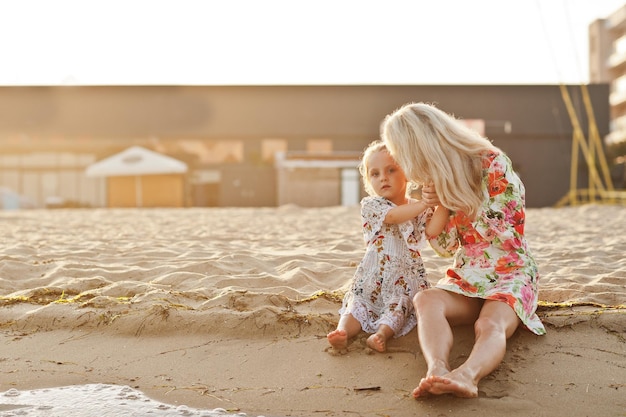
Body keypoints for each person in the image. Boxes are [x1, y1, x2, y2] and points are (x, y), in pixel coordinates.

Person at [380, 102, 546, 398]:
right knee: (426, 299)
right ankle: (437, 369)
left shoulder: (492, 162)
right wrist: (439, 203)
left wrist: (456, 195)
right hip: (467, 274)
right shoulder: (431, 181)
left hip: (510, 271)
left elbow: (507, 233)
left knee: (489, 322)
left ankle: (468, 376)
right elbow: (444, 248)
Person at [327, 140, 449, 353]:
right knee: (357, 305)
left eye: (391, 170)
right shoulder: (372, 205)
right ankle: (343, 332)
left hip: (404, 280)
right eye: (375, 174)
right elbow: (393, 216)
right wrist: (425, 203)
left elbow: (432, 231)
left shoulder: (417, 207)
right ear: (368, 181)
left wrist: (442, 204)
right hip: (373, 276)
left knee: (398, 309)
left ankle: (381, 335)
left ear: (407, 174)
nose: (383, 177)